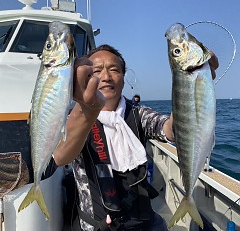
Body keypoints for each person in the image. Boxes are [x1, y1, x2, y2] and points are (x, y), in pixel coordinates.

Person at [54, 44, 218, 231]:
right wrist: (87, 109)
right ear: (87, 77)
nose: (106, 77)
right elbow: (61, 157)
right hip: (95, 225)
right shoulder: (75, 118)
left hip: (142, 221)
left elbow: (171, 131)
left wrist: (191, 91)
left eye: (114, 69)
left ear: (124, 78)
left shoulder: (139, 114)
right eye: (97, 71)